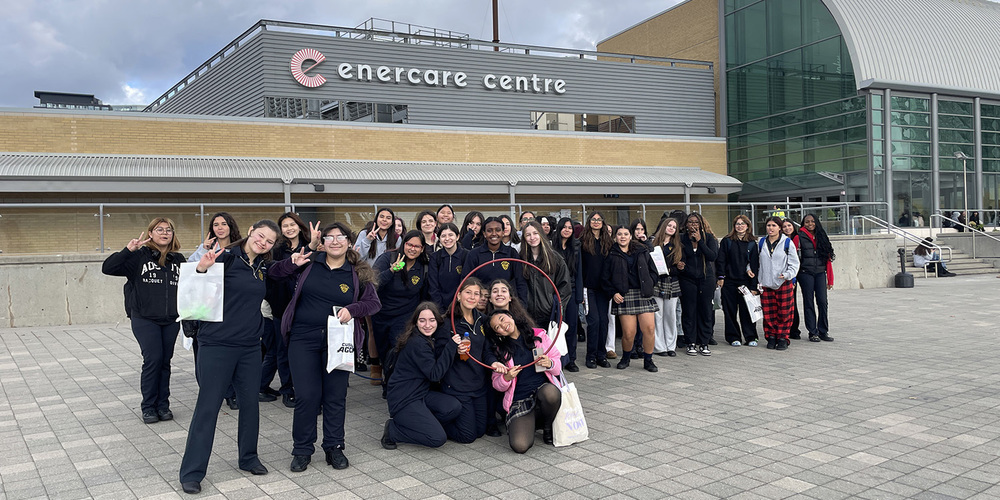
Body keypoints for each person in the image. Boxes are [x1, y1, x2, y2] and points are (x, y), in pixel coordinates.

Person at [269, 222, 381, 472]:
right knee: (307, 396)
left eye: (341, 237)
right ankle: (302, 449)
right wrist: (292, 261)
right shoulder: (307, 264)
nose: (335, 241)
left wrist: (352, 310)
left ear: (350, 242)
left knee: (335, 397)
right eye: (329, 238)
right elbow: (274, 274)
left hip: (338, 342)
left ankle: (334, 447)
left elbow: (373, 304)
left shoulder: (357, 272)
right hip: (302, 339)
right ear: (322, 243)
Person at [179, 220, 280, 494]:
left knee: (250, 405)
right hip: (217, 344)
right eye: (261, 236)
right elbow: (194, 287)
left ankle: (248, 458)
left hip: (249, 346)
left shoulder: (260, 267)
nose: (264, 242)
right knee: (208, 408)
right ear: (250, 231)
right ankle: (192, 471)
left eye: (270, 241)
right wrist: (202, 268)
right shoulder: (226, 258)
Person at [102, 217, 184, 424]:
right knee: (153, 359)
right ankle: (148, 407)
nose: (164, 233)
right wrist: (128, 250)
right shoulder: (138, 257)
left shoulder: (179, 259)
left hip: (171, 319)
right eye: (159, 229)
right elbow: (108, 268)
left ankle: (163, 405)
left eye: (168, 230)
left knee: (165, 362)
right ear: (150, 234)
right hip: (145, 318)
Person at [381, 303, 464, 450]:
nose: (427, 325)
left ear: (437, 322)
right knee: (437, 438)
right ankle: (393, 430)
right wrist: (451, 346)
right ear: (415, 322)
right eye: (422, 320)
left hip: (420, 393)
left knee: (453, 407)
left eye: (432, 320)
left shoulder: (425, 338)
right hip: (404, 399)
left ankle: (424, 424)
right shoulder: (417, 343)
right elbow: (435, 374)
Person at [437, 279, 504, 443]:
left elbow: (486, 350)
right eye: (468, 292)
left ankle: (460, 418)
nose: (472, 297)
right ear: (459, 295)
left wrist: (493, 363)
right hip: (457, 386)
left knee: (480, 431)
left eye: (477, 294)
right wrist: (454, 350)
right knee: (468, 436)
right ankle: (434, 423)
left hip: (478, 385)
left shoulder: (482, 319)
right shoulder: (447, 323)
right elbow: (438, 354)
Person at [186, 212, 242, 409]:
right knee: (207, 352)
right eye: (216, 224)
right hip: (207, 306)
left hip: (233, 306)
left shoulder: (240, 248)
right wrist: (203, 249)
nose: (220, 228)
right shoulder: (206, 249)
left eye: (224, 224)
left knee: (232, 351)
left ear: (231, 227)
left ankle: (233, 392)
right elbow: (191, 270)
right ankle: (215, 392)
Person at [487, 310, 562, 454]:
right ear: (498, 334)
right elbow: (497, 384)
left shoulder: (538, 335)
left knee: (550, 393)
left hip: (542, 391)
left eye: (503, 319)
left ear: (510, 316)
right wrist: (506, 378)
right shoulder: (500, 350)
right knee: (520, 445)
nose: (503, 326)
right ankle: (530, 423)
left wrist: (550, 363)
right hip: (519, 400)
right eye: (498, 328)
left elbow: (557, 368)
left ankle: (547, 427)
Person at [261, 212, 309, 408]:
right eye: (285, 226)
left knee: (304, 351)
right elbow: (272, 274)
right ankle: (287, 389)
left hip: (306, 307)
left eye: (292, 224)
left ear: (299, 226)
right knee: (282, 351)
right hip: (281, 307)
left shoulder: (311, 246)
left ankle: (304, 388)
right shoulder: (276, 249)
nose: (289, 228)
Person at [603, 225, 660, 372]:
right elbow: (605, 277)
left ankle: (648, 360)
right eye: (619, 234)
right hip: (624, 295)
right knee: (629, 332)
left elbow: (654, 272)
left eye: (626, 234)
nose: (622, 237)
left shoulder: (641, 251)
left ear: (630, 236)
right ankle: (626, 358)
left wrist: (649, 284)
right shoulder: (611, 254)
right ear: (615, 237)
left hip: (643, 294)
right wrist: (613, 292)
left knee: (649, 328)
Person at [372, 230, 430, 372]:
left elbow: (424, 294)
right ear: (404, 244)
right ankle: (387, 381)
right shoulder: (388, 258)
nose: (412, 249)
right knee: (384, 351)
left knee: (398, 349)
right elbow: (373, 284)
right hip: (382, 314)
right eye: (409, 245)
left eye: (417, 246)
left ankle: (394, 385)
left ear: (422, 249)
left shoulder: (424, 266)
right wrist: (391, 271)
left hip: (405, 316)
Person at [678, 212, 719, 356]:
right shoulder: (682, 238)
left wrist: (700, 241)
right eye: (690, 222)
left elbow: (712, 256)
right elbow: (679, 257)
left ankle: (704, 342)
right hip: (687, 279)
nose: (693, 225)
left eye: (696, 222)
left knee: (706, 311)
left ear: (701, 224)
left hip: (706, 279)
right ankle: (691, 342)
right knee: (689, 311)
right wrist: (680, 265)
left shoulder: (709, 238)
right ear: (686, 224)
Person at [757, 217, 800, 351]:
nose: (771, 228)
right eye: (768, 225)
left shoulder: (787, 242)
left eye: (774, 225)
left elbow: (794, 263)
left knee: (784, 312)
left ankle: (782, 337)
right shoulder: (761, 242)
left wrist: (787, 275)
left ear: (780, 228)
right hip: (766, 282)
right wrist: (750, 271)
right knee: (769, 313)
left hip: (783, 282)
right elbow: (754, 261)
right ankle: (770, 336)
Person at [519, 221, 572, 330]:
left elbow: (564, 287)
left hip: (548, 314)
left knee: (545, 346)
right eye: (528, 235)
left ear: (541, 234)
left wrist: (556, 308)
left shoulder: (555, 258)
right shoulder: (520, 259)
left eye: (535, 233)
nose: (532, 237)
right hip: (526, 314)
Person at [462, 216, 529, 302]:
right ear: (484, 233)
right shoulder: (474, 254)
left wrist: (522, 306)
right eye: (489, 231)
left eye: (498, 230)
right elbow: (466, 281)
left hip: (504, 304)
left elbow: (520, 282)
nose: (494, 234)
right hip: (481, 304)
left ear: (503, 232)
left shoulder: (511, 253)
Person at [717, 215, 760, 347]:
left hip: (746, 282)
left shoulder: (753, 243)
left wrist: (754, 286)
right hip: (729, 281)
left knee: (747, 310)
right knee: (729, 311)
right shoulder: (727, 241)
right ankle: (733, 337)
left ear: (748, 226)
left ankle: (751, 336)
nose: (739, 226)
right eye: (737, 224)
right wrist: (720, 277)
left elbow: (755, 265)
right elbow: (721, 260)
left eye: (742, 224)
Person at [580, 211, 613, 369]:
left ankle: (601, 355)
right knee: (594, 322)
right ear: (589, 222)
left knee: (604, 322)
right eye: (593, 219)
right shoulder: (583, 241)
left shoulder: (608, 241)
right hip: (589, 288)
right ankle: (591, 356)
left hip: (604, 289)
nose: (596, 222)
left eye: (599, 219)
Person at [551, 217, 584, 371]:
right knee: (555, 326)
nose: (567, 230)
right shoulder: (551, 247)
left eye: (570, 228)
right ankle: (556, 358)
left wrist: (579, 297)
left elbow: (579, 274)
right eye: (564, 227)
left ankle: (571, 359)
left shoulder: (576, 248)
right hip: (554, 291)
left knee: (571, 326)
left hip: (571, 291)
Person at [797, 214, 836, 342]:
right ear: (803, 223)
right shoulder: (799, 237)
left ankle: (823, 331)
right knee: (809, 303)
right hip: (805, 273)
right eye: (807, 222)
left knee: (823, 302)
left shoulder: (821, 236)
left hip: (820, 273)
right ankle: (812, 332)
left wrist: (830, 279)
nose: (810, 224)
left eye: (812, 221)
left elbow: (828, 259)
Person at [649, 217, 682, 356]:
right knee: (658, 315)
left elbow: (680, 266)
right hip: (657, 282)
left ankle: (670, 346)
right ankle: (659, 346)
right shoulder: (653, 243)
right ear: (664, 226)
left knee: (670, 315)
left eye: (674, 227)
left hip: (671, 282)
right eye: (669, 225)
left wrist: (670, 270)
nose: (671, 228)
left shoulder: (678, 246)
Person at [428, 222, 468, 313]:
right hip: (440, 307)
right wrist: (440, 309)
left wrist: (459, 306)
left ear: (457, 237)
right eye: (443, 236)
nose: (447, 239)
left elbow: (466, 283)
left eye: (451, 235)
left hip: (461, 306)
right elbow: (433, 286)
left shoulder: (466, 255)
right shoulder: (435, 257)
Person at [781, 219, 803, 340]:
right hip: (784, 275)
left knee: (792, 303)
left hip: (796, 274)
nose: (787, 228)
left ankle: (794, 329)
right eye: (784, 226)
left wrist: (793, 279)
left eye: (789, 225)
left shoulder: (797, 239)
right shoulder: (780, 240)